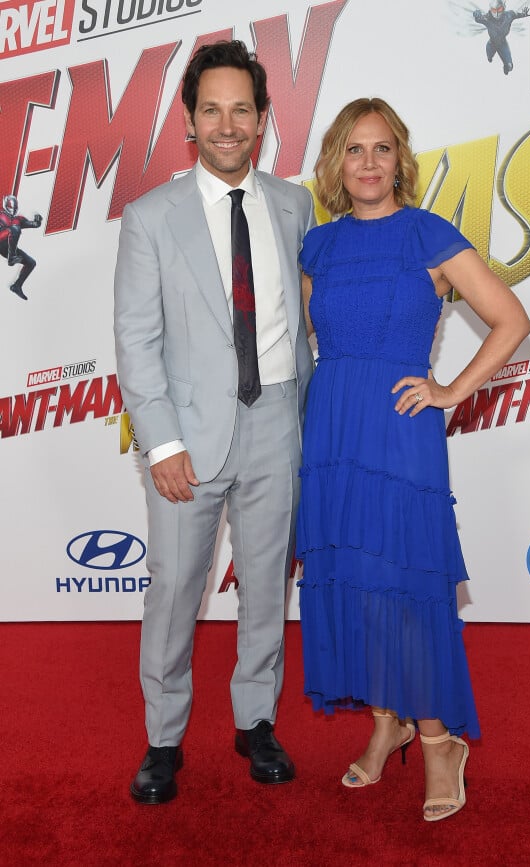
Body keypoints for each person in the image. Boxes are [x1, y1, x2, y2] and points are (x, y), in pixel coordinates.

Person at [297, 98, 530, 821]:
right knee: (355, 583)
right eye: (354, 149)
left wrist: (451, 389)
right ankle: (385, 719)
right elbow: (314, 340)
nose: (368, 163)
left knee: (408, 584)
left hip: (401, 434)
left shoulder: (427, 234)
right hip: (334, 432)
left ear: (401, 159)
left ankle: (438, 740)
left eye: (382, 148)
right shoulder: (319, 247)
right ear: (337, 161)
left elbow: (512, 319)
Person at [114, 40, 315, 804]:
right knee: (174, 589)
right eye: (211, 110)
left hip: (277, 424)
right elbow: (136, 339)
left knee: (266, 585)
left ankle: (254, 719)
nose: (227, 124)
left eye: (242, 109)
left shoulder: (294, 203)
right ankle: (163, 737)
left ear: (263, 118)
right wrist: (160, 441)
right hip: (187, 439)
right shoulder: (149, 217)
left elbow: (300, 317)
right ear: (189, 121)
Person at [0, 195, 42, 300]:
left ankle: (17, 286)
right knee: (14, 229)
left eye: (14, 209)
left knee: (31, 263)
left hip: (8, 249)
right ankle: (12, 257)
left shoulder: (18, 219)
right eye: (10, 208)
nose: (12, 211)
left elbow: (34, 224)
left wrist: (38, 220)